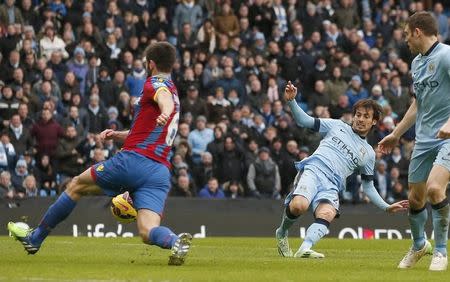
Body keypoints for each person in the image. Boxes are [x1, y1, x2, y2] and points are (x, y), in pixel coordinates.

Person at [8, 42, 193, 266]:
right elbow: (146, 132)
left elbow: (162, 98)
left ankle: (34, 239)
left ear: (151, 64)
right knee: (147, 230)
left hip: (134, 162)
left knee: (76, 185)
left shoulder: (156, 83)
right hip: (159, 171)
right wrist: (117, 135)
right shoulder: (175, 92)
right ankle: (174, 241)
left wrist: (164, 111)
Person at [276, 81, 408, 259]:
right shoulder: (337, 125)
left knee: (327, 213)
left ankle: (304, 248)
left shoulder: (369, 153)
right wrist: (292, 101)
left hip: (332, 184)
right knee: (299, 206)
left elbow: (368, 186)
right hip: (314, 170)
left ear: (374, 121)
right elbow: (304, 121)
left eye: (366, 116)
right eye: (358, 115)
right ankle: (282, 233)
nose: (360, 119)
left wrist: (386, 207)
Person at [378, 12, 450, 271]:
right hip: (424, 139)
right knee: (416, 199)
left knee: (434, 189)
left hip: (448, 138)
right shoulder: (417, 63)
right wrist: (396, 133)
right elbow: (418, 103)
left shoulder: (446, 55)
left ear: (417, 31)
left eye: (407, 33)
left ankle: (441, 251)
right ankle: (420, 244)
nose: (405, 39)